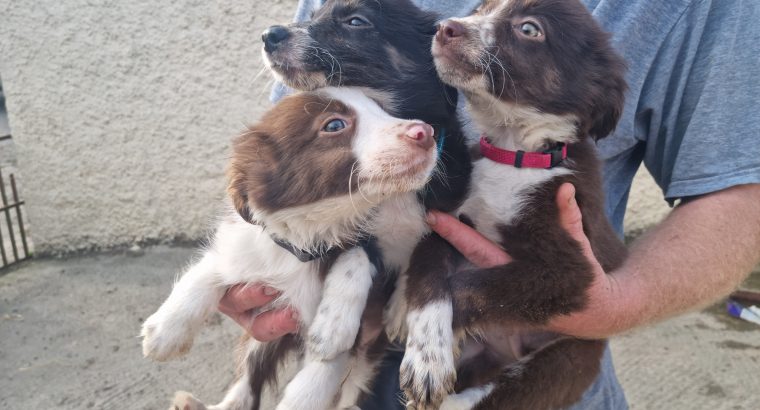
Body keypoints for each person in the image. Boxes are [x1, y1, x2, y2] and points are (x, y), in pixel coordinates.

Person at [218, 0, 760, 408]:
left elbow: (740, 192)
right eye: (479, 13)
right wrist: (276, 252)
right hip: (351, 365)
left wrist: (613, 303)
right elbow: (299, 141)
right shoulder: (472, 153)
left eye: (524, 29)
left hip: (531, 374)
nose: (456, 28)